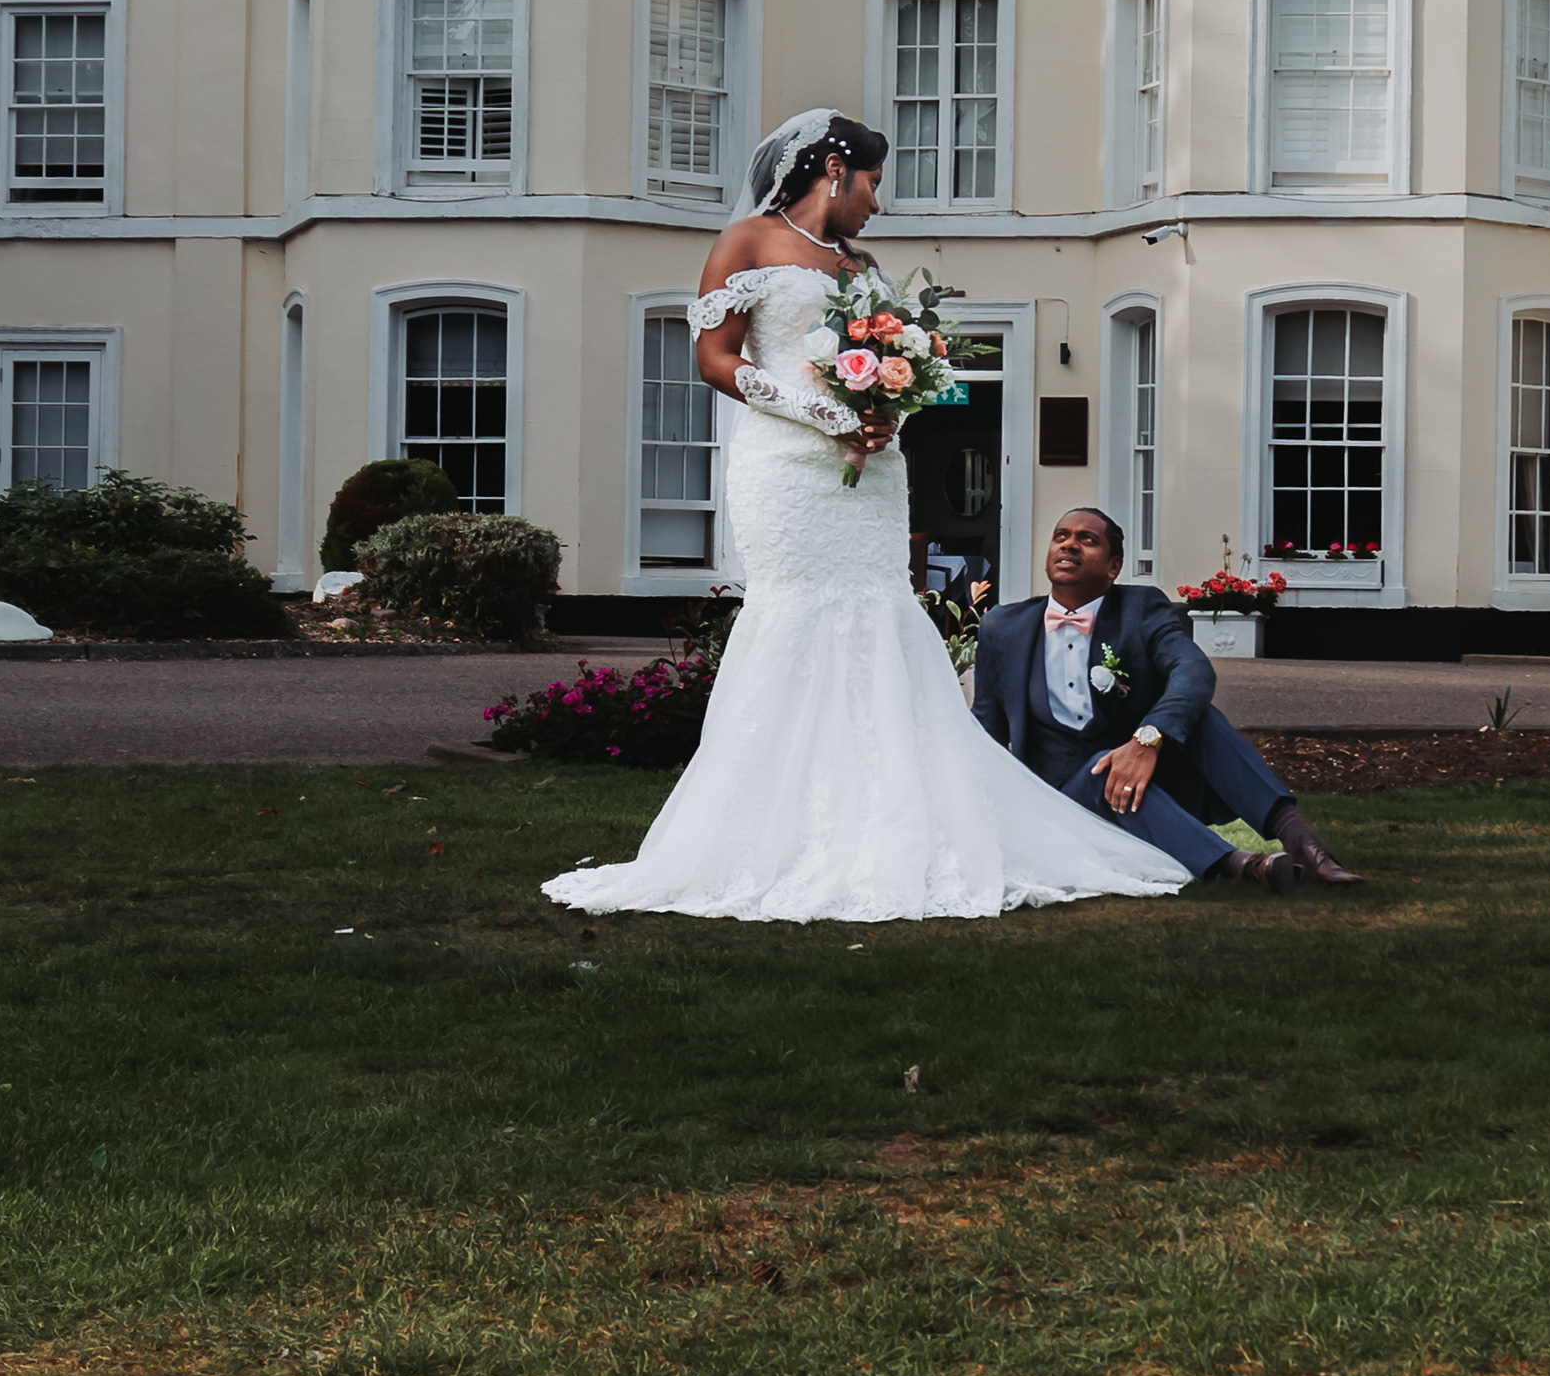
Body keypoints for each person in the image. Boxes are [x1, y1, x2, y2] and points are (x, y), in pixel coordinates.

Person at [543, 110, 1197, 922]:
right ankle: (766, 834)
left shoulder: (866, 267)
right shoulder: (746, 242)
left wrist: (889, 415)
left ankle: (900, 819)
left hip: (877, 477)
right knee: (795, 617)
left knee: (882, 614)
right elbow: (714, 358)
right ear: (834, 170)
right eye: (874, 184)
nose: (877, 204)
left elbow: (897, 369)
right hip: (788, 471)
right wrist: (827, 417)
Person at [971, 508, 1365, 890]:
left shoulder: (1141, 609)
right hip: (1063, 801)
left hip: (1153, 786)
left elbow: (1193, 671)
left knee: (1200, 717)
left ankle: (1302, 841)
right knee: (1104, 769)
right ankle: (1243, 865)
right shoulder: (1003, 627)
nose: (1069, 545)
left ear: (1113, 567)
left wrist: (1148, 739)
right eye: (1061, 536)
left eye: (1087, 540)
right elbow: (986, 729)